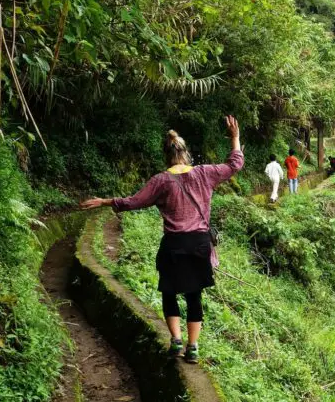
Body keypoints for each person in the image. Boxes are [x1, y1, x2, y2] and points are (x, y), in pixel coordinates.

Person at [80, 116, 243, 364]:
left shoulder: (161, 181)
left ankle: (176, 341)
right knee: (193, 295)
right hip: (199, 244)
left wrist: (105, 201)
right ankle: (193, 347)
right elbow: (234, 164)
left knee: (169, 292)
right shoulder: (205, 173)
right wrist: (234, 137)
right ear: (186, 153)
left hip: (174, 245)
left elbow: (133, 202)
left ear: (166, 156)